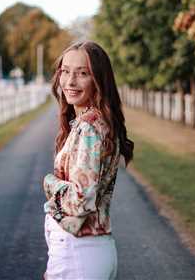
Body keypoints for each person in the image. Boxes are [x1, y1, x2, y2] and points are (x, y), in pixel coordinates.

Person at [43, 40, 134, 280]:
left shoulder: (90, 128)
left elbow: (81, 201)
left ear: (98, 79)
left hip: (78, 252)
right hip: (81, 253)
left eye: (82, 73)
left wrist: (49, 183)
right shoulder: (96, 122)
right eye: (65, 71)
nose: (70, 81)